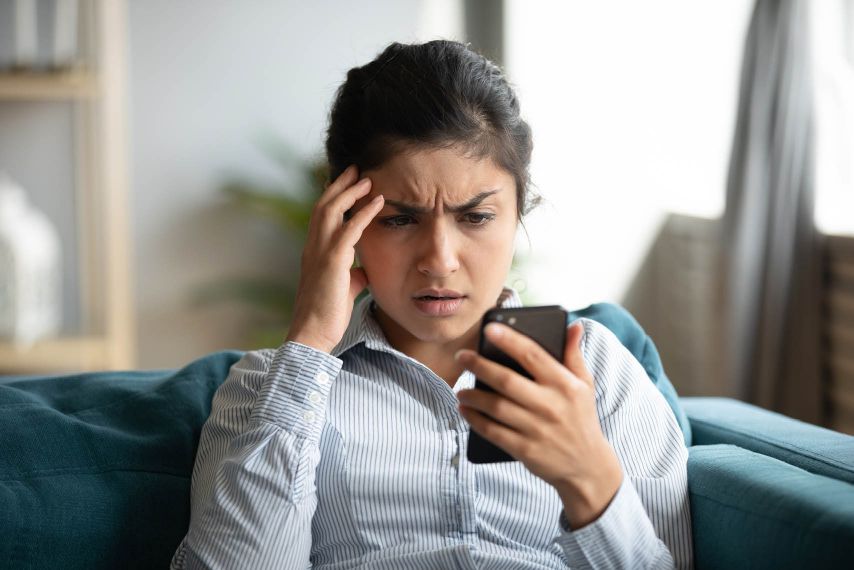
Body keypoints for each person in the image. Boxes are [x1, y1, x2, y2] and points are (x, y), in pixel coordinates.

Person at [170, 39, 693, 569]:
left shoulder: (601, 375)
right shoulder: (268, 390)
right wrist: (308, 344)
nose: (439, 262)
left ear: (518, 212)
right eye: (399, 219)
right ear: (342, 218)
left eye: (476, 217)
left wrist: (589, 478)